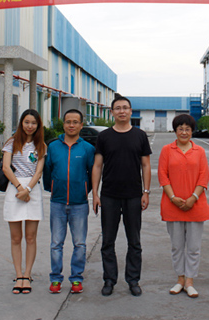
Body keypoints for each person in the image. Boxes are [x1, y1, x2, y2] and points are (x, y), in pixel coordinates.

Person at [92, 95, 152, 297]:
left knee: (134, 241)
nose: (122, 111)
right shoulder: (104, 137)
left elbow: (146, 165)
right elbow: (97, 165)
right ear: (112, 112)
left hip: (133, 195)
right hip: (109, 195)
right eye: (117, 108)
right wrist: (95, 194)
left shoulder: (140, 135)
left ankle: (133, 280)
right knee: (107, 241)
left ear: (131, 111)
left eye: (125, 108)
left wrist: (146, 192)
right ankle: (109, 280)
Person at [158, 114, 209, 299]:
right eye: (180, 129)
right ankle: (180, 279)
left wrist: (193, 198)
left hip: (195, 205)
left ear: (192, 131)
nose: (184, 132)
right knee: (177, 246)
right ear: (175, 131)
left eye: (187, 129)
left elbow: (203, 176)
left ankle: (190, 281)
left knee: (193, 246)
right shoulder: (167, 150)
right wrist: (173, 197)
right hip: (172, 205)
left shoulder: (199, 151)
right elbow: (163, 175)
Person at [43, 109, 95, 295]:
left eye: (75, 122)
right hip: (57, 202)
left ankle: (76, 278)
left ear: (81, 125)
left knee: (79, 243)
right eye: (68, 122)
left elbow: (92, 173)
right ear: (63, 124)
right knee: (56, 243)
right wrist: (52, 188)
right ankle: (56, 278)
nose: (71, 125)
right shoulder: (53, 146)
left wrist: (84, 191)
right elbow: (47, 171)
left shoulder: (88, 149)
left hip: (79, 204)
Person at [1, 109, 46, 295]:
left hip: (32, 190)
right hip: (15, 189)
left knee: (30, 237)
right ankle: (18, 275)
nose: (30, 126)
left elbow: (39, 171)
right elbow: (6, 168)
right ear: (21, 123)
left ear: (38, 125)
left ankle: (27, 275)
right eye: (27, 122)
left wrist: (28, 190)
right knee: (16, 238)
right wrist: (20, 188)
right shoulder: (11, 143)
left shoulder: (41, 145)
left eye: (33, 123)